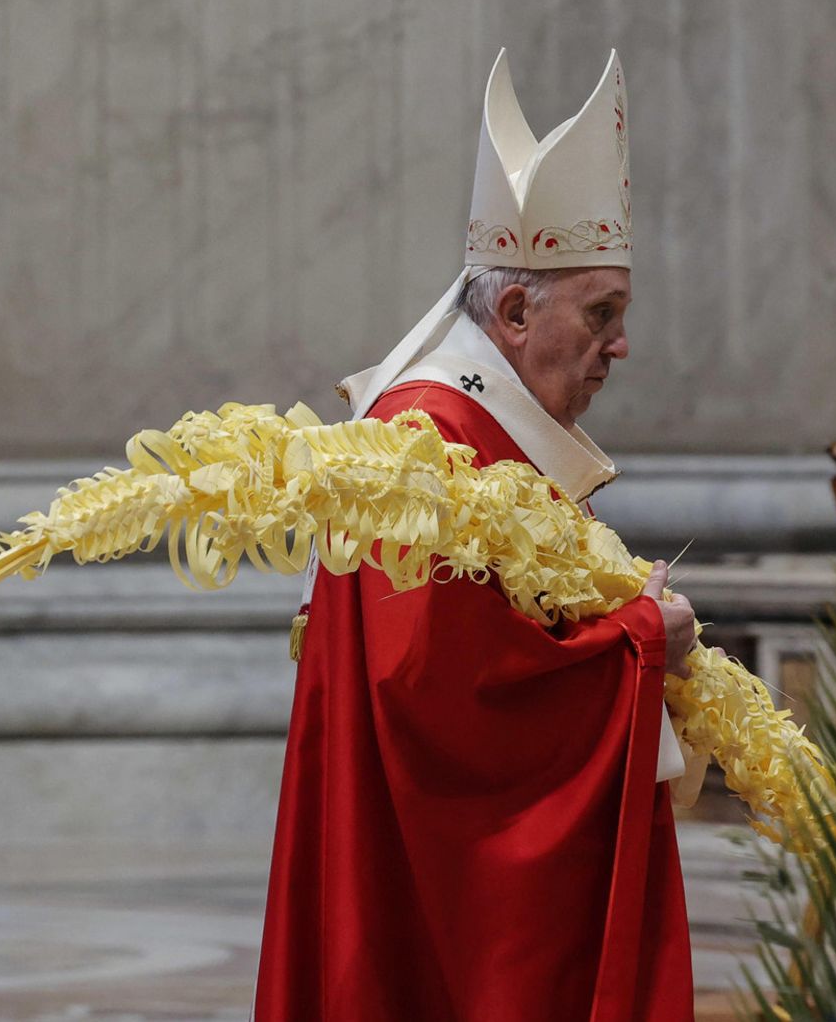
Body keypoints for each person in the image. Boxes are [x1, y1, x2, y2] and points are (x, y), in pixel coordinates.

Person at [254, 50, 701, 1020]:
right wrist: (638, 643)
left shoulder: (496, 431)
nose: (618, 346)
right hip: (433, 915)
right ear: (511, 309)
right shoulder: (420, 442)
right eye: (602, 313)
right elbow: (432, 697)